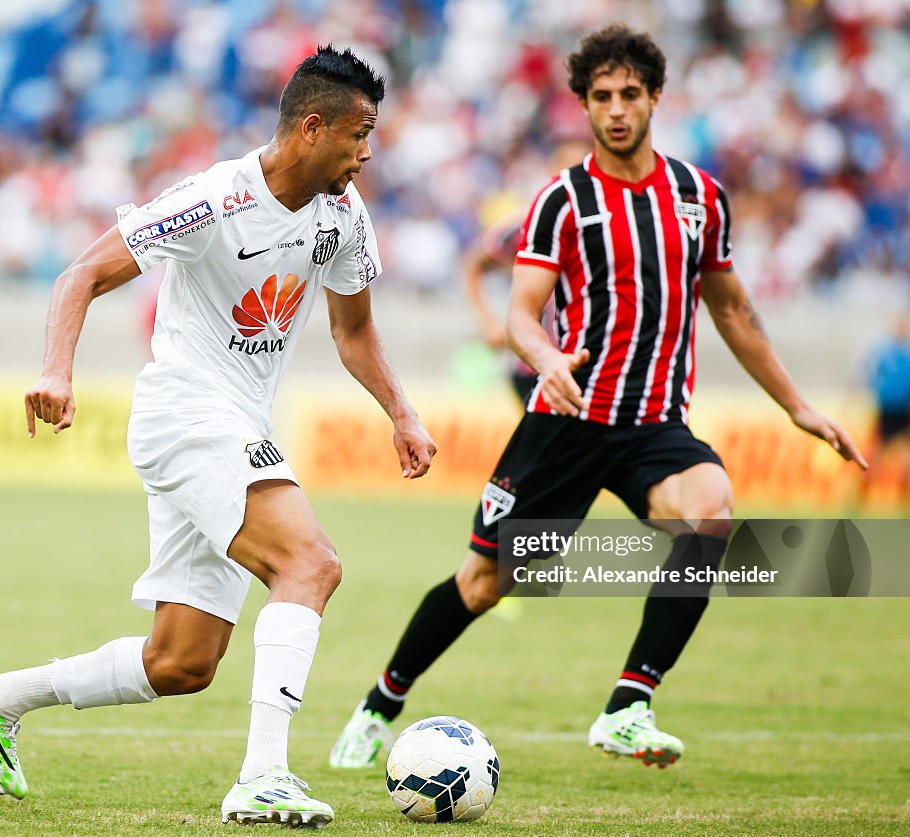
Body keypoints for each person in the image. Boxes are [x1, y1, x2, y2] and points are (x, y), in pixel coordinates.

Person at [329, 25, 866, 772]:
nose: (616, 109)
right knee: (483, 583)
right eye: (602, 96)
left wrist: (796, 405)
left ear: (654, 99)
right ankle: (380, 703)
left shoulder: (699, 197)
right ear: (584, 104)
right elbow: (522, 312)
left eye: (630, 95)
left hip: (653, 425)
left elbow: (734, 310)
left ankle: (629, 705)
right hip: (567, 423)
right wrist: (547, 357)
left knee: (711, 510)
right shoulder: (560, 200)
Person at [0, 46, 436, 828]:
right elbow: (82, 274)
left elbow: (354, 333)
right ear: (313, 127)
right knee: (310, 562)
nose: (368, 152)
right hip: (186, 413)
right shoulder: (213, 199)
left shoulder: (343, 215)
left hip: (235, 424)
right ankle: (263, 777)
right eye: (359, 133)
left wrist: (401, 412)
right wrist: (56, 371)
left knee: (180, 662)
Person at [463, 140, 589, 404]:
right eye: (568, 167)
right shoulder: (526, 222)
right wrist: (487, 319)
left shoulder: (609, 225)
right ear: (553, 170)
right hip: (534, 365)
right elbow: (474, 263)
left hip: (589, 363)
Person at [861, 313, 910, 503]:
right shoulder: (894, 353)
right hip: (895, 408)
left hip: (892, 407)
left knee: (881, 452)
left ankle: (867, 494)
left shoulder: (883, 353)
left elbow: (871, 378)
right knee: (881, 452)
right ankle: (899, 497)